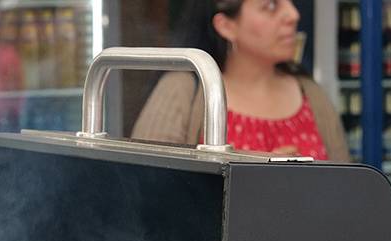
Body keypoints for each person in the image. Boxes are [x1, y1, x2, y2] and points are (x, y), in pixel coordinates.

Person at [133, 0, 350, 161]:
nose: (293, 14)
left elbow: (346, 192)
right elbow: (147, 193)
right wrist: (251, 181)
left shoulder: (311, 93)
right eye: (271, 6)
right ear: (226, 26)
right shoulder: (183, 90)